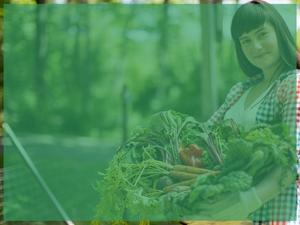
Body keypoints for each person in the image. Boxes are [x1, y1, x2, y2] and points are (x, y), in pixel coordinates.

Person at [185, 1, 300, 225]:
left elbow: (292, 160)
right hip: (226, 210)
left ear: (280, 32)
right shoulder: (240, 91)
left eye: (262, 34)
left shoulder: (292, 84)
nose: (255, 46)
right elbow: (204, 136)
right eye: (245, 40)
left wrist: (246, 202)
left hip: (271, 213)